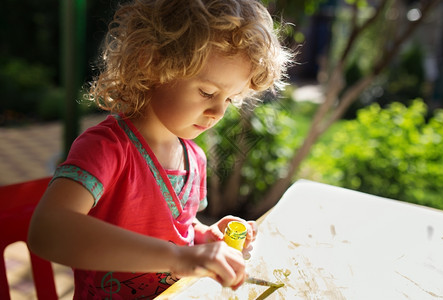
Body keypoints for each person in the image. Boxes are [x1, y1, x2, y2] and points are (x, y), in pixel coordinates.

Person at [28, 0, 291, 298]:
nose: (218, 111)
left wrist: (206, 237)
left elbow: (177, 228)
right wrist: (177, 258)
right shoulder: (107, 150)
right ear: (151, 63)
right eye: (207, 92)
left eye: (229, 99)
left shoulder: (195, 159)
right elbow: (47, 231)